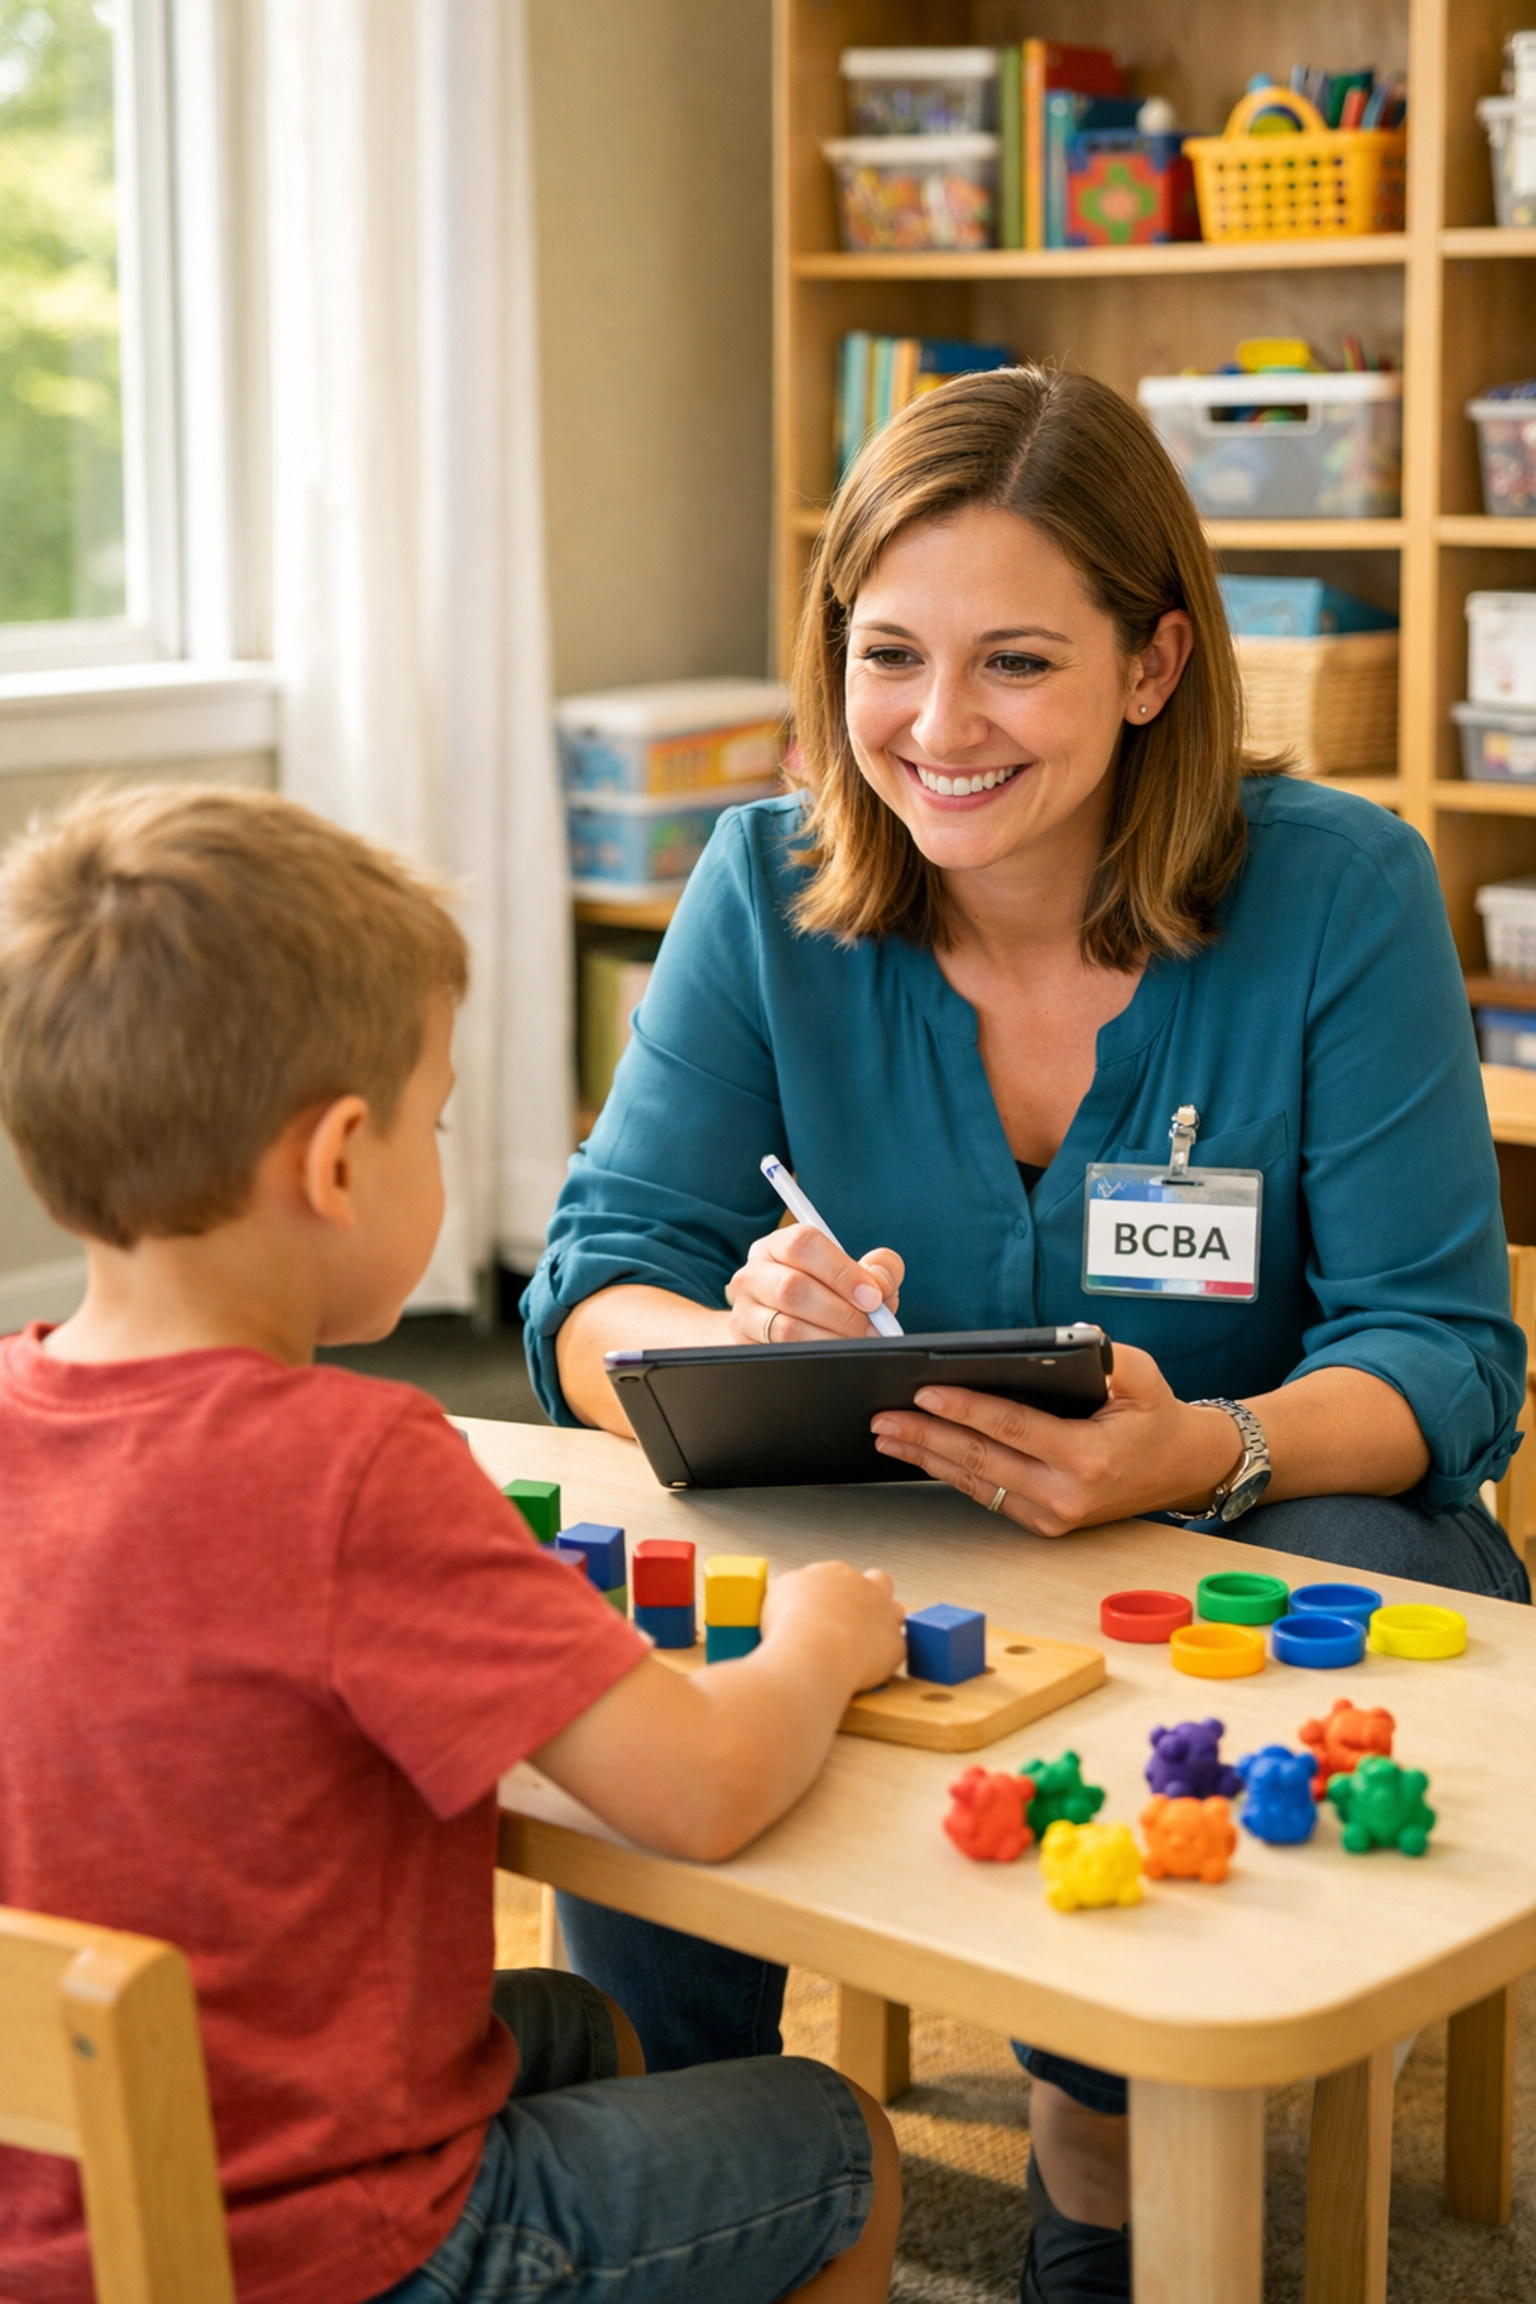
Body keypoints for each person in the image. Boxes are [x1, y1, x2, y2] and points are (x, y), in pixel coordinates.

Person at [521, 366, 1531, 2304]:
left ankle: (1107, 2136)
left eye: (1016, 664)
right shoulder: (764, 887)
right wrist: (724, 1335)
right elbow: (592, 1283)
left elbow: (1446, 1354)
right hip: (894, 1529)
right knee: (646, 1604)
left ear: (1154, 665)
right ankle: (690, 2153)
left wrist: (1202, 1450)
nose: (937, 727)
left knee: (1321, 1566)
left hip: (1250, 1529)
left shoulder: (1343, 892)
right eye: (890, 655)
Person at [0, 784, 907, 2304]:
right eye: (434, 1122)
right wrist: (821, 1637)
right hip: (326, 2244)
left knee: (582, 2031)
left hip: (51, 2195)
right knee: (835, 2141)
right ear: (338, 1162)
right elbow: (700, 1789)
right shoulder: (355, 1470)